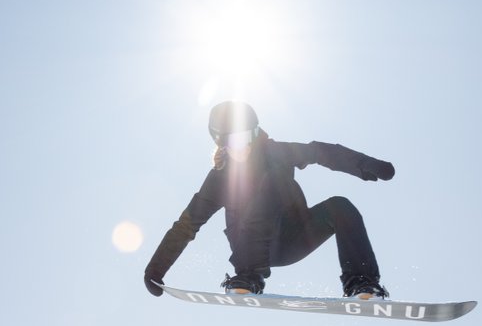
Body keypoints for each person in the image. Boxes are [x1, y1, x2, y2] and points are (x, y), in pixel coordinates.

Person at [143, 101, 395, 300]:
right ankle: (248, 276)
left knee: (340, 206)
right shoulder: (220, 179)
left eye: (247, 137)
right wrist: (155, 269)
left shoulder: (277, 152)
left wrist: (364, 165)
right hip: (250, 246)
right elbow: (187, 225)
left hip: (294, 237)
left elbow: (321, 152)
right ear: (221, 142)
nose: (243, 146)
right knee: (267, 187)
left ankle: (362, 282)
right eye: (233, 140)